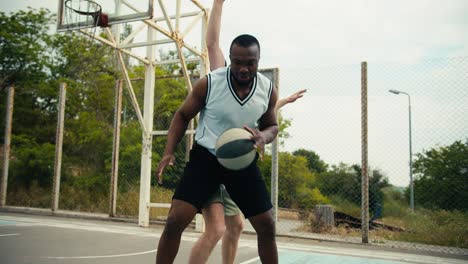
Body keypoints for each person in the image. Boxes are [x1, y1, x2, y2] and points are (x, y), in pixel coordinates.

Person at [188, 1, 306, 263]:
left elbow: (266, 118)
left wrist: (284, 101)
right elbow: (212, 43)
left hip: (236, 165)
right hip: (212, 158)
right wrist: (218, 3)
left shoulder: (258, 92)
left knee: (238, 226)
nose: (243, 68)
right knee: (216, 228)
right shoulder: (219, 77)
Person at [155, 34, 279, 263]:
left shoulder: (267, 89)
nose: (243, 68)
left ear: (258, 60)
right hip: (206, 158)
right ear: (230, 59)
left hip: (242, 158)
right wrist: (168, 151)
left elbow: (272, 126)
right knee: (175, 221)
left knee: (267, 226)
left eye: (250, 63)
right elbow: (182, 115)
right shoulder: (210, 83)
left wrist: (264, 136)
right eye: (238, 62)